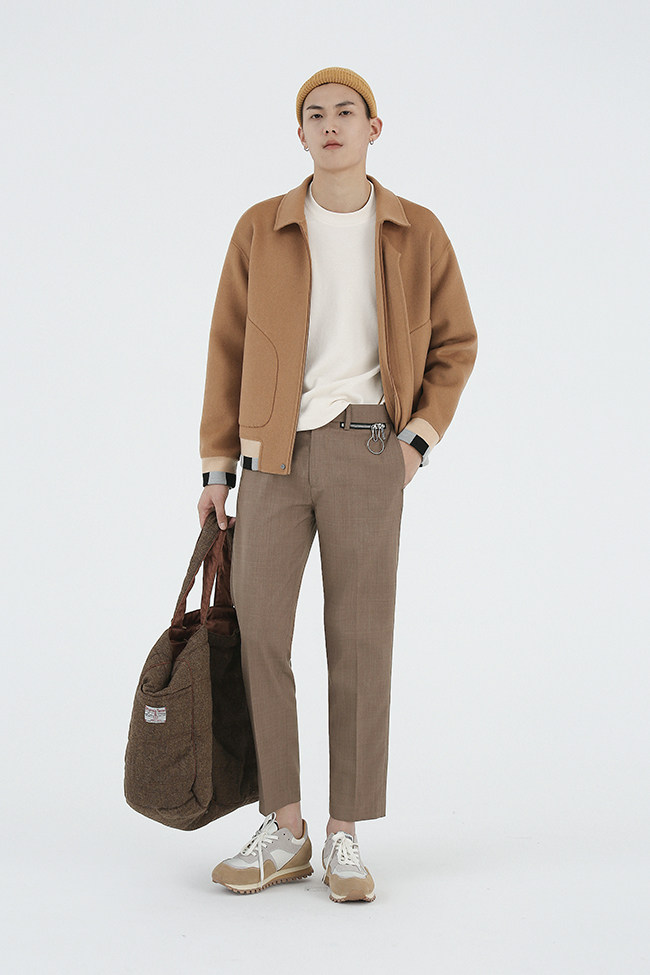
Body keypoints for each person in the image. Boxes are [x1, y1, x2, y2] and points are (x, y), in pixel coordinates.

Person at [197, 66, 478, 903]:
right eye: (315, 114)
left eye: (345, 113)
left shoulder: (416, 230)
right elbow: (226, 349)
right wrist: (217, 467)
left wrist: (414, 444)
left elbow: (456, 343)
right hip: (272, 457)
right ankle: (284, 828)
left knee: (359, 640)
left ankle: (345, 833)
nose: (330, 125)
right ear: (300, 134)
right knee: (259, 633)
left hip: (369, 447)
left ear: (372, 128)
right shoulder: (262, 227)